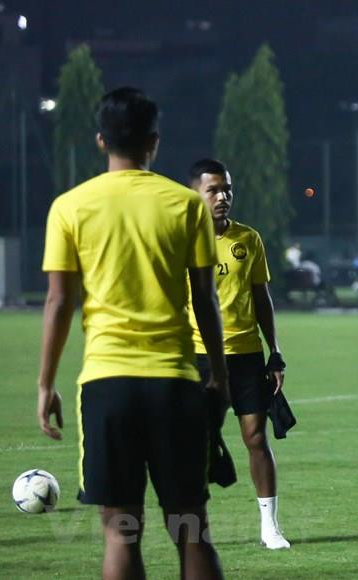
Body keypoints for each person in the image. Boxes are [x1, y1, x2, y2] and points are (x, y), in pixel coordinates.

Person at [37, 87, 227, 579]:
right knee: (191, 529)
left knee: (121, 532)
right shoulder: (186, 206)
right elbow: (205, 299)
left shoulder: (70, 207)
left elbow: (60, 302)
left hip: (108, 386)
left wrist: (45, 384)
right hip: (175, 385)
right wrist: (220, 377)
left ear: (101, 141)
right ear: (154, 142)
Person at [187, 158, 291, 550]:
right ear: (195, 193)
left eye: (227, 189)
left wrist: (275, 353)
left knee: (255, 437)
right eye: (213, 189)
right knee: (196, 446)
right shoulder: (180, 240)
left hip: (246, 354)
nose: (223, 197)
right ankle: (196, 529)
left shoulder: (248, 239)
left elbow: (261, 299)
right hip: (198, 357)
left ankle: (270, 526)